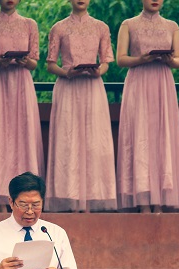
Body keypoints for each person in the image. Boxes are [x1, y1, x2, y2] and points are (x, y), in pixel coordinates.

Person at [44, 0, 116, 213]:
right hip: (68, 87)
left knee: (94, 142)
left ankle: (90, 200)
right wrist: (66, 72)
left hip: (93, 88)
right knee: (68, 141)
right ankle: (71, 199)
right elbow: (50, 64)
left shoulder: (101, 27)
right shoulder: (58, 28)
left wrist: (98, 71)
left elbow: (106, 61)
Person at [116, 0, 179, 213]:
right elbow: (120, 59)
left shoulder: (172, 26)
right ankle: (143, 201)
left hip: (163, 84)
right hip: (138, 81)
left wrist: (169, 59)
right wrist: (141, 58)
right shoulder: (128, 24)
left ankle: (159, 201)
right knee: (140, 136)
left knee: (162, 136)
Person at [0, 0, 45, 211]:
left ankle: (26, 199)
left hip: (22, 85)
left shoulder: (29, 24)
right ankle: (0, 201)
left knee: (24, 138)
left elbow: (34, 62)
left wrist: (25, 61)